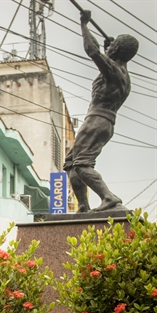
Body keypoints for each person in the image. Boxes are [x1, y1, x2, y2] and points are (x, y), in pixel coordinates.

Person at [63, 10, 139, 212]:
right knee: (71, 163)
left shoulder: (114, 71)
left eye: (113, 46)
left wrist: (84, 25)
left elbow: (93, 52)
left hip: (97, 119)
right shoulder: (122, 74)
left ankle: (109, 198)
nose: (110, 48)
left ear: (119, 50)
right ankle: (83, 206)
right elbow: (105, 57)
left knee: (81, 164)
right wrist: (110, 49)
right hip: (104, 122)